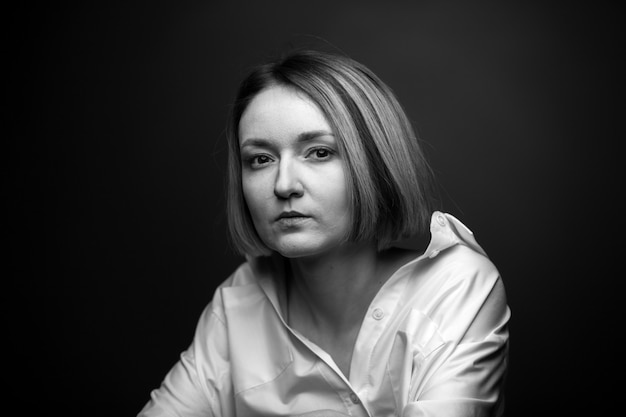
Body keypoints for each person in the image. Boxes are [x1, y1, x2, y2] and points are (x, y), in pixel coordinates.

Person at [138, 49, 510, 417]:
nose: (284, 185)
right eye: (260, 159)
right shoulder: (239, 302)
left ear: (375, 162)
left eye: (318, 152)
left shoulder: (455, 286)